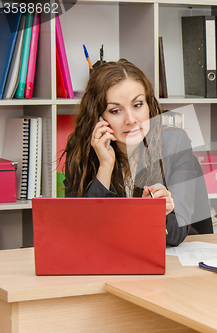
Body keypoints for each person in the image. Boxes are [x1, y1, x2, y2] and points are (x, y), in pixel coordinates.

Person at [62, 59, 197, 246]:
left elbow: (177, 232)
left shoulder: (175, 143)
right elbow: (83, 230)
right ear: (99, 117)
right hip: (105, 263)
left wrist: (156, 213)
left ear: (149, 105)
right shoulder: (81, 148)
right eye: (115, 110)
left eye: (138, 104)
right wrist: (105, 166)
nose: (131, 119)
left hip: (162, 260)